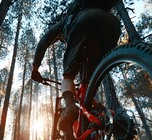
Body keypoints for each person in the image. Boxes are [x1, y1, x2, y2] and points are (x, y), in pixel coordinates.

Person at [31, 0, 121, 130]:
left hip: (85, 21)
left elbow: (43, 42)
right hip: (112, 24)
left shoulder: (63, 23)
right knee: (90, 82)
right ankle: (103, 115)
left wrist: (35, 69)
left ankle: (70, 106)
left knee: (68, 77)